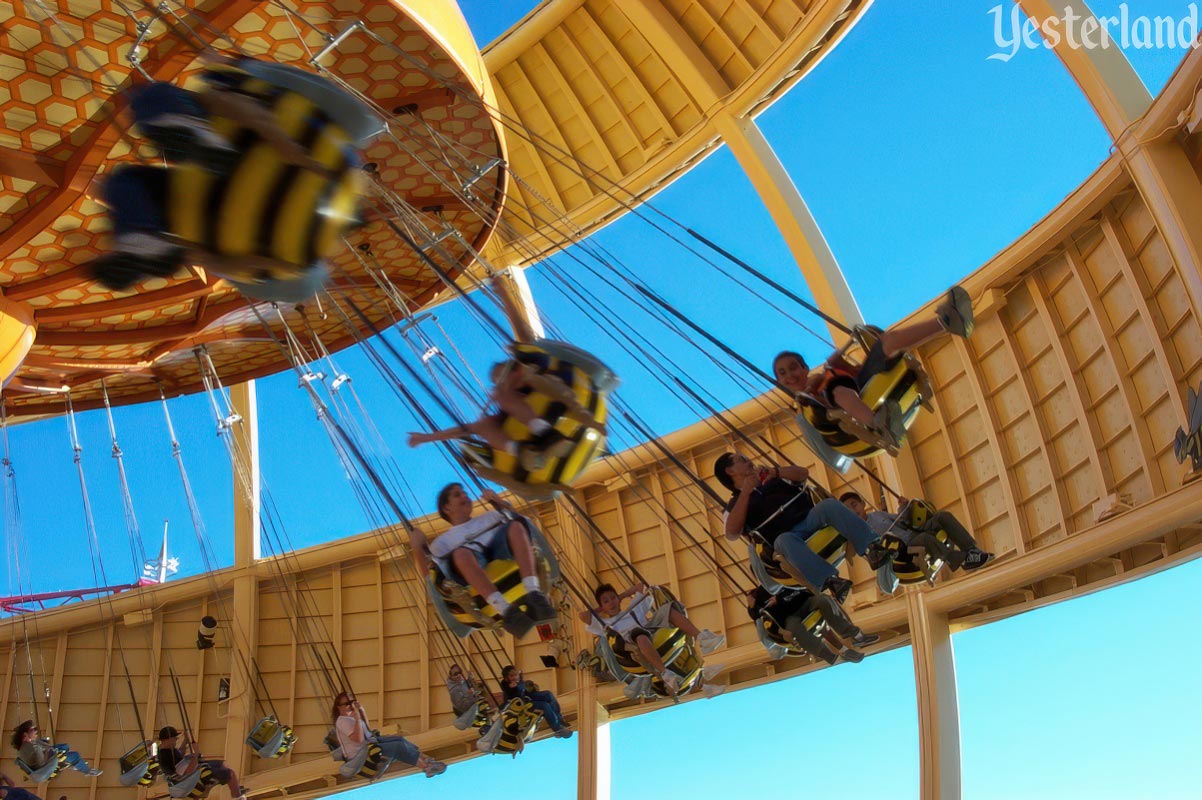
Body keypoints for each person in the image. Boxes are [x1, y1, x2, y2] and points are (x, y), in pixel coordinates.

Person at [407, 281, 606, 472]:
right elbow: (464, 429)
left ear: (511, 366)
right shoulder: (508, 400)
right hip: (534, 432)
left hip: (559, 392)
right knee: (483, 425)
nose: (498, 383)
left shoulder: (531, 365)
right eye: (495, 381)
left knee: (529, 380)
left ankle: (550, 432)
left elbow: (521, 329)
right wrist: (426, 438)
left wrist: (503, 293)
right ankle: (522, 451)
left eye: (500, 376)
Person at [772, 286, 974, 450]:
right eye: (783, 374)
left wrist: (838, 361)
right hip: (846, 415)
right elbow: (822, 432)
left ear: (805, 367)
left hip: (860, 386)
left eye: (793, 368)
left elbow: (855, 373)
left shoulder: (827, 374)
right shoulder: (807, 407)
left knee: (888, 341)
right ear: (779, 383)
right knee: (838, 391)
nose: (790, 375)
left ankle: (946, 322)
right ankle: (879, 425)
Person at [714, 452, 888, 602]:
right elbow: (731, 533)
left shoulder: (773, 478)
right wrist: (746, 492)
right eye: (742, 459)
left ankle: (872, 548)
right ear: (730, 471)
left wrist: (775, 472)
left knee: (828, 505)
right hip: (787, 540)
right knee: (784, 540)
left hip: (809, 520)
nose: (749, 460)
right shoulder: (734, 505)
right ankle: (830, 581)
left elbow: (803, 473)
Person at [410, 483, 556, 638]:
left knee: (515, 526)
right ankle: (505, 609)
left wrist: (498, 500)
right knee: (461, 554)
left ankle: (533, 593)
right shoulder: (442, 543)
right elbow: (429, 574)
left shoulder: (491, 516)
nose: (464, 496)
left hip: (499, 551)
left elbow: (523, 522)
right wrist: (417, 548)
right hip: (471, 566)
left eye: (464, 492)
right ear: (447, 508)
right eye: (457, 494)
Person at [578, 582, 724, 695]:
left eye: (613, 598)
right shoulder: (606, 624)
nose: (611, 603)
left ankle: (702, 638)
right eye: (606, 601)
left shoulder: (633, 609)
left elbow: (641, 586)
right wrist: (601, 609)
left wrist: (620, 596)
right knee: (639, 635)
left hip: (652, 634)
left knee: (668, 611)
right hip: (632, 647)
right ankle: (665, 673)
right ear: (601, 605)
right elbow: (583, 616)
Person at [840, 492, 994, 571]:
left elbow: (900, 519)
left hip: (913, 532)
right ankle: (962, 560)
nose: (853, 511)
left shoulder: (877, 514)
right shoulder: (860, 533)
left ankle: (971, 549)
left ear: (862, 503)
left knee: (942, 516)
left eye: (854, 505)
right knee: (925, 539)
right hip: (905, 548)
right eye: (848, 510)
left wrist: (903, 507)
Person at [746, 587, 877, 665]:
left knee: (823, 600)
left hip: (805, 604)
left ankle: (856, 635)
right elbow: (761, 618)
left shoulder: (781, 581)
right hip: (790, 617)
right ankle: (828, 654)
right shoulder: (760, 599)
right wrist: (751, 606)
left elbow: (798, 588)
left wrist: (779, 599)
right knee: (794, 629)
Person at [331, 693, 445, 778]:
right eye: (347, 704)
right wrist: (356, 720)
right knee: (398, 747)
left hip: (369, 743)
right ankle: (426, 768)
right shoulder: (342, 722)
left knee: (400, 739)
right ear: (339, 707)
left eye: (352, 702)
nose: (351, 706)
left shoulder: (350, 717)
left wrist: (361, 710)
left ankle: (425, 760)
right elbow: (358, 739)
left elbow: (365, 726)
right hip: (362, 754)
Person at [155, 726, 242, 799]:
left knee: (222, 763)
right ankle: (238, 796)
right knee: (230, 773)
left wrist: (185, 741)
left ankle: (235, 789)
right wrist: (196, 754)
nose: (176, 740)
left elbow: (179, 754)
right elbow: (188, 771)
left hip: (188, 773)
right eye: (175, 738)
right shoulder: (165, 757)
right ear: (168, 739)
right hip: (189, 780)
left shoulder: (165, 749)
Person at [496, 667, 572, 739]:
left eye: (516, 675)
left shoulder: (519, 681)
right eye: (512, 676)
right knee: (545, 706)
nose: (515, 677)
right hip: (521, 704)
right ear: (506, 678)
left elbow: (524, 689)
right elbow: (515, 695)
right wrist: (515, 687)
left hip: (527, 697)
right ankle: (557, 729)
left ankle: (559, 718)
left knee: (548, 694)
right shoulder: (508, 686)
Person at [10, 721, 101, 777]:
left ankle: (73, 765)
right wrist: (47, 752)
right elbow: (41, 762)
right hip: (49, 761)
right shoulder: (31, 747)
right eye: (32, 730)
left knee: (65, 746)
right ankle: (86, 770)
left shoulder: (27, 746)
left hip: (48, 755)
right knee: (75, 755)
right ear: (25, 735)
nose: (35, 731)